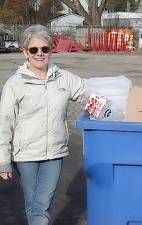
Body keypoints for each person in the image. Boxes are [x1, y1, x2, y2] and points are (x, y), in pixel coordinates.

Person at [0, 24, 85, 225]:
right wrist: (3, 160)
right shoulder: (14, 84)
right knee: (34, 204)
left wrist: (115, 101)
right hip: (25, 155)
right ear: (24, 52)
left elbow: (87, 91)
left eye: (44, 49)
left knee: (41, 204)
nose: (40, 54)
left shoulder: (63, 78)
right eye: (33, 49)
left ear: (51, 49)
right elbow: (4, 123)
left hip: (54, 154)